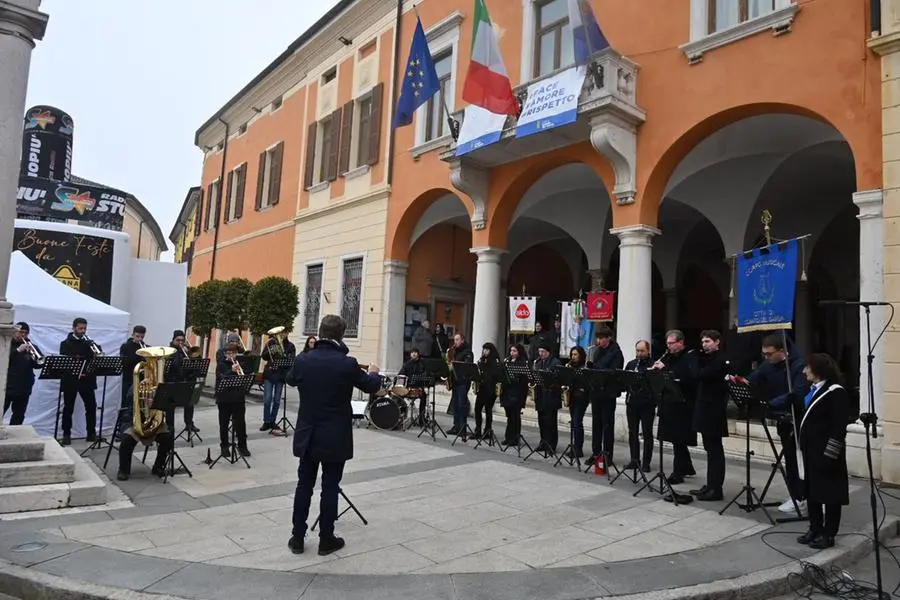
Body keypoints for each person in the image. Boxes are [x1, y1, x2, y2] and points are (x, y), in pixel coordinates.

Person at [286, 315, 382, 556]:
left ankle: (297, 537)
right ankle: (326, 539)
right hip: (335, 435)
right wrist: (374, 373)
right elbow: (370, 386)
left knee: (304, 485)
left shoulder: (304, 360)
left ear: (319, 333)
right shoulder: (346, 363)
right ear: (342, 335)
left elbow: (290, 379)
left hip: (308, 433)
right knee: (330, 486)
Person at [748, 333, 809, 514]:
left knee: (800, 460)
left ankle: (804, 497)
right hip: (783, 420)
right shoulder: (768, 365)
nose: (766, 358)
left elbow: (798, 393)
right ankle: (796, 494)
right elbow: (754, 378)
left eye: (769, 354)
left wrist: (771, 404)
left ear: (782, 351)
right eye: (764, 354)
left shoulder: (798, 365)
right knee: (789, 460)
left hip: (798, 419)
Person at [796, 353, 851, 549]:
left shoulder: (836, 392)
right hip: (810, 451)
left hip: (827, 453)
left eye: (807, 367)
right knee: (812, 492)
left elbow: (838, 428)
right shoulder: (812, 391)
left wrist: (830, 455)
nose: (804, 371)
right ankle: (815, 527)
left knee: (830, 494)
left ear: (818, 369)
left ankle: (829, 534)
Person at [651, 329, 698, 484]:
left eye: (672, 343)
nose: (669, 346)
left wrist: (664, 369)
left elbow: (685, 376)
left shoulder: (690, 356)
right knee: (675, 439)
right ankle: (687, 467)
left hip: (683, 403)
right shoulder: (670, 356)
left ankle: (678, 472)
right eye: (668, 343)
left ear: (680, 343)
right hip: (670, 401)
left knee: (679, 437)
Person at [690, 330, 729, 501]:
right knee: (709, 449)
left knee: (714, 450)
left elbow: (700, 375)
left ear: (717, 342)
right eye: (703, 341)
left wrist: (694, 360)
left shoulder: (720, 360)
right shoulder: (707, 358)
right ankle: (711, 484)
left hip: (714, 409)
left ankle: (716, 488)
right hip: (704, 407)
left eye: (708, 341)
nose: (704, 345)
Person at [58, 317, 102, 445]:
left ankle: (91, 433)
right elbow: (67, 361)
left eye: (85, 329)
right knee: (68, 408)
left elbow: (96, 358)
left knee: (91, 407)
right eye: (80, 328)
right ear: (74, 328)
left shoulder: (89, 343)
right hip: (71, 380)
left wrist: (94, 349)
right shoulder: (65, 343)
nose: (83, 331)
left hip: (87, 380)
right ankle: (66, 434)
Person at [587, 325, 624, 466]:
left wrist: (595, 368)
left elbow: (614, 371)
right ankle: (596, 453)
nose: (599, 340)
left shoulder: (616, 352)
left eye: (602, 338)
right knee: (596, 424)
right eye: (598, 338)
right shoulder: (597, 351)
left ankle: (607, 455)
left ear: (609, 337)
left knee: (607, 425)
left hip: (608, 393)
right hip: (596, 391)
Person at [624, 340, 655, 472]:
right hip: (632, 402)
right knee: (633, 432)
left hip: (647, 404)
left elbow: (655, 385)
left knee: (647, 433)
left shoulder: (653, 365)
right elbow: (624, 380)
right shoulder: (631, 364)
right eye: (637, 350)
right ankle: (634, 460)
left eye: (642, 351)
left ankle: (646, 463)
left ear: (648, 351)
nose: (639, 353)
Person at [215, 344, 251, 458]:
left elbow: (245, 377)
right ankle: (224, 446)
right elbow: (221, 378)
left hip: (238, 398)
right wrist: (231, 370)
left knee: (240, 423)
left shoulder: (240, 363)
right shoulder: (221, 365)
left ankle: (242, 446)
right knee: (224, 423)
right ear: (225, 354)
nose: (231, 355)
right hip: (224, 399)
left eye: (234, 353)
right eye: (229, 353)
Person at [4, 322, 42, 425]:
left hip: (24, 387)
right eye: (20, 332)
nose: (23, 335)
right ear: (14, 332)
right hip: (8, 386)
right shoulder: (7, 344)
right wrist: (17, 350)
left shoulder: (31, 346)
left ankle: (15, 436)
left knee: (19, 415)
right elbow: (4, 360)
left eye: (26, 333)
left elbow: (37, 365)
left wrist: (39, 359)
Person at [260, 330, 297, 434]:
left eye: (284, 333)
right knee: (267, 399)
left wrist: (284, 355)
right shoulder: (271, 343)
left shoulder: (290, 346)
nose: (282, 335)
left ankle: (272, 420)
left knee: (277, 400)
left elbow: (291, 361)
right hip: (270, 373)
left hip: (280, 375)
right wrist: (271, 351)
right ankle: (266, 421)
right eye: (280, 333)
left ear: (287, 334)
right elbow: (264, 356)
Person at [533, 342, 562, 454]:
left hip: (551, 395)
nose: (541, 354)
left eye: (543, 352)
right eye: (539, 351)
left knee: (551, 422)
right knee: (542, 421)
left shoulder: (555, 362)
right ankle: (543, 442)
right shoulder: (538, 362)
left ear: (548, 352)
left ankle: (551, 445)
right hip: (540, 395)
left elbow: (558, 378)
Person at [564, 346, 590, 459]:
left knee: (577, 421)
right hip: (572, 396)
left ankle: (578, 449)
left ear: (580, 355)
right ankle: (575, 446)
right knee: (574, 423)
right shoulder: (570, 366)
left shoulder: (585, 367)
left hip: (581, 397)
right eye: (572, 355)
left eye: (575, 355)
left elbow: (587, 383)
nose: (573, 357)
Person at [501, 344, 528, 447]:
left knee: (515, 416)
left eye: (514, 351)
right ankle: (508, 437)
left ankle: (515, 438)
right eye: (511, 351)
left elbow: (525, 379)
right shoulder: (507, 362)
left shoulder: (523, 363)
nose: (512, 353)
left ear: (519, 352)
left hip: (518, 392)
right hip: (507, 391)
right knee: (509, 416)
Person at [447, 333, 474, 436]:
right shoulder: (455, 351)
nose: (455, 342)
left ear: (462, 340)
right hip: (455, 380)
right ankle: (456, 426)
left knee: (461, 404)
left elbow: (467, 365)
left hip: (463, 381)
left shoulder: (467, 352)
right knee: (455, 404)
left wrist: (454, 364)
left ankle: (463, 427)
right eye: (454, 340)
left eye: (457, 340)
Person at [473, 343, 501, 440]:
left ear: (491, 350)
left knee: (488, 410)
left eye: (487, 349)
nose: (485, 351)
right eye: (484, 349)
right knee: (477, 409)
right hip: (482, 388)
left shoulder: (495, 361)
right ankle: (477, 430)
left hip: (491, 389)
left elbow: (495, 376)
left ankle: (487, 431)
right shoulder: (482, 360)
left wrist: (484, 372)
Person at [398, 347, 428, 425]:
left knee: (424, 396)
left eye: (415, 352)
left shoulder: (422, 364)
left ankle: (422, 418)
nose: (413, 354)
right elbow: (400, 375)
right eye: (412, 352)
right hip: (408, 388)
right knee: (398, 396)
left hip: (418, 387)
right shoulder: (406, 364)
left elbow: (426, 375)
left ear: (418, 354)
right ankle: (401, 416)